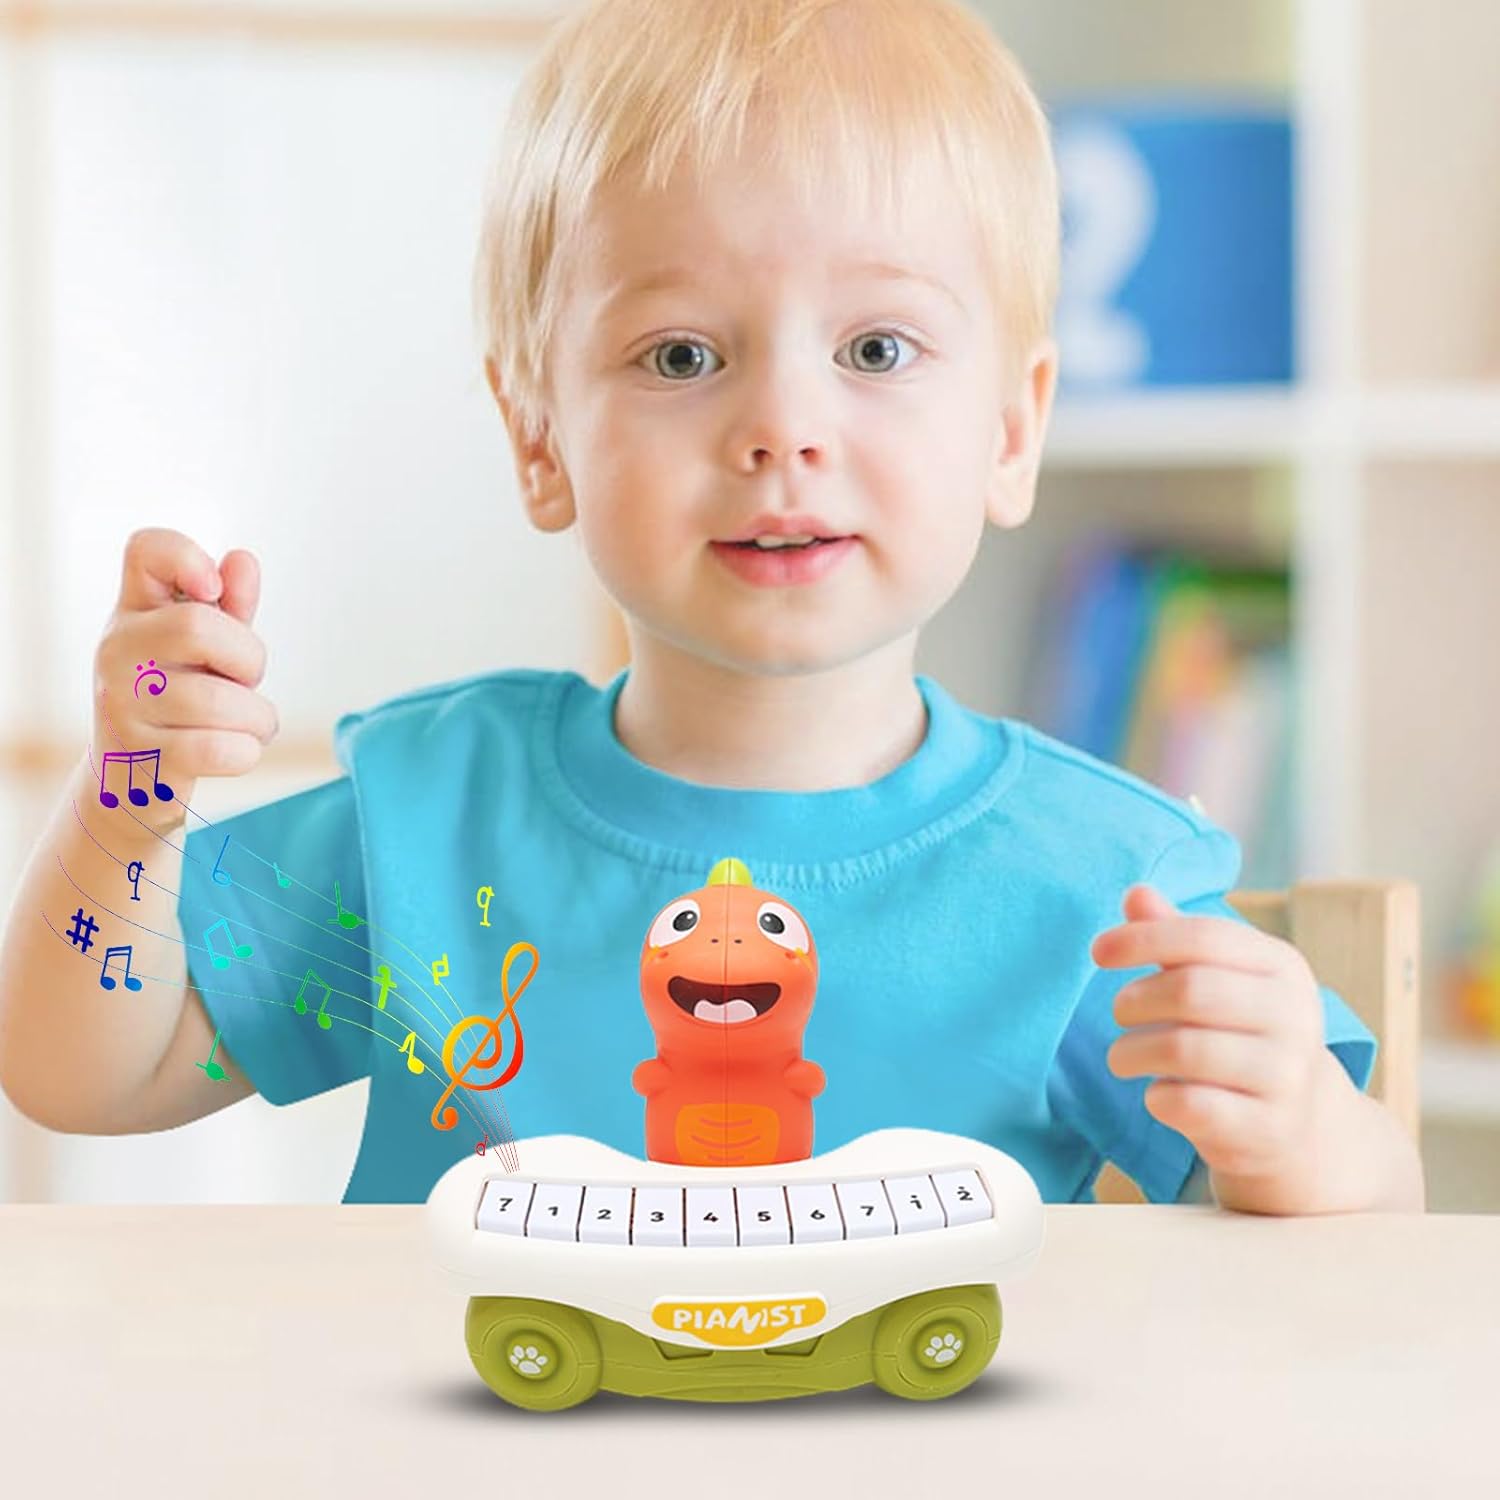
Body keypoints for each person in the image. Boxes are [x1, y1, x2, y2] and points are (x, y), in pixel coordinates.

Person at [0, 0, 1423, 1213]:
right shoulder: (428, 816)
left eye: (876, 348)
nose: (783, 426)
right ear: (540, 438)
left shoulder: (1093, 883)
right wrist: (130, 796)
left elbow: (1373, 1225)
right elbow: (86, 1075)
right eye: (682, 355)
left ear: (1010, 429)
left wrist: (1303, 1131)